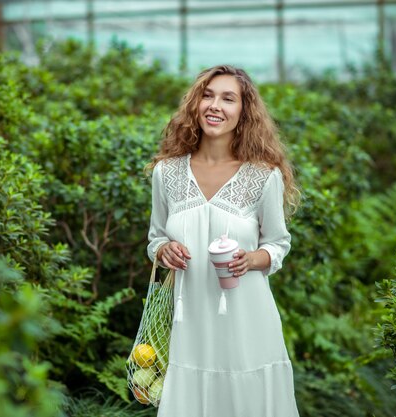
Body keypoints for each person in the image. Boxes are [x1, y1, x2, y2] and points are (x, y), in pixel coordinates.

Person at [146, 64, 301, 417]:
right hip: (189, 324)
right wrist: (163, 249)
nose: (215, 105)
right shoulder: (166, 172)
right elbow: (155, 238)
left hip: (247, 319)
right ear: (195, 104)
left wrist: (251, 259)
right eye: (207, 95)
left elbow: (277, 245)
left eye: (228, 98)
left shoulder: (264, 176)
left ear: (243, 112)